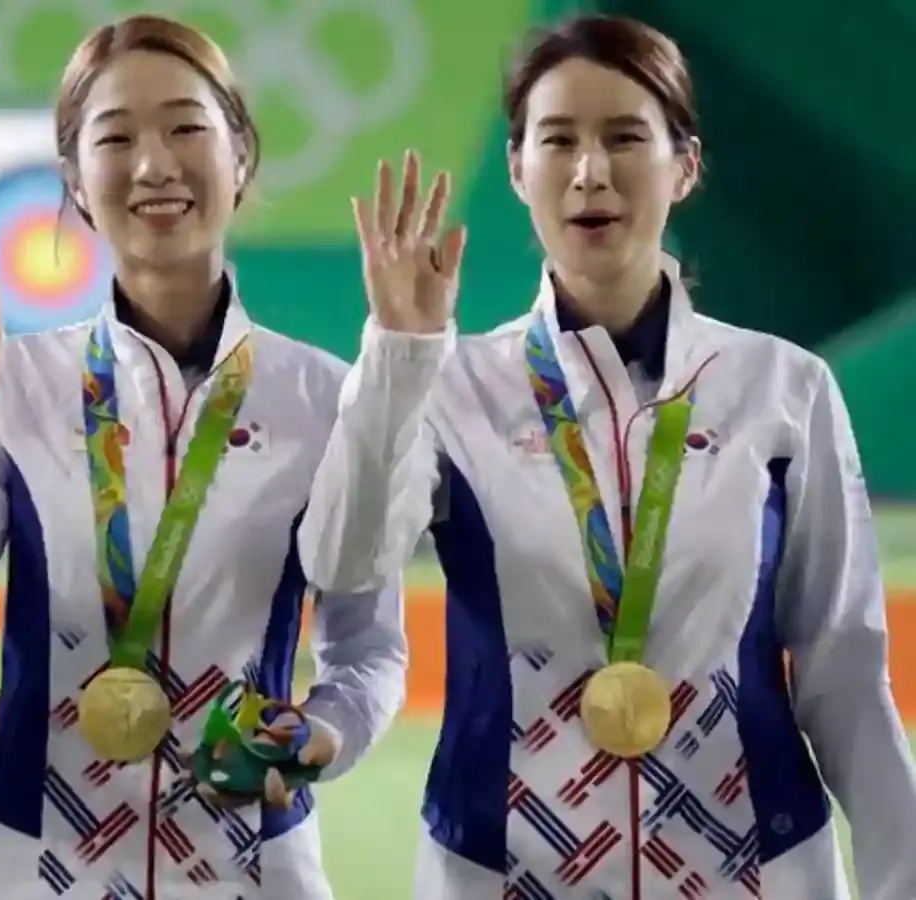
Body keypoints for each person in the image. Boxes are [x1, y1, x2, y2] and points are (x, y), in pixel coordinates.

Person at [299, 12, 916, 900]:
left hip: (758, 874)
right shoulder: (449, 387)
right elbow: (342, 561)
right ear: (518, 169)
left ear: (685, 166)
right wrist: (399, 356)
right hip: (499, 874)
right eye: (558, 140)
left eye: (625, 137)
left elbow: (844, 670)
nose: (591, 171)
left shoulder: (784, 389)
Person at [0, 14, 447, 900]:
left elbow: (367, 649)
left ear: (240, 155)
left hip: (256, 868)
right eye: (116, 137)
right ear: (74, 179)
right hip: (23, 868)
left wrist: (321, 736)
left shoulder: (329, 397)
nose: (153, 165)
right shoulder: (9, 386)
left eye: (185, 127)